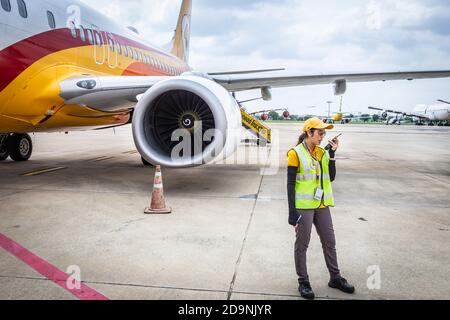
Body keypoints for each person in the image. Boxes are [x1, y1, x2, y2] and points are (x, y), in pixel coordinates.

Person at [287, 117, 355, 300]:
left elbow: (330, 177)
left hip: (322, 204)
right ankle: (303, 282)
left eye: (324, 133)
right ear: (309, 133)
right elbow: (290, 185)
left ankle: (335, 278)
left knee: (329, 242)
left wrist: (332, 154)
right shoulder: (295, 153)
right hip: (304, 207)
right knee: (302, 245)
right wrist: (292, 213)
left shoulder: (322, 153)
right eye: (320, 133)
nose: (323, 136)